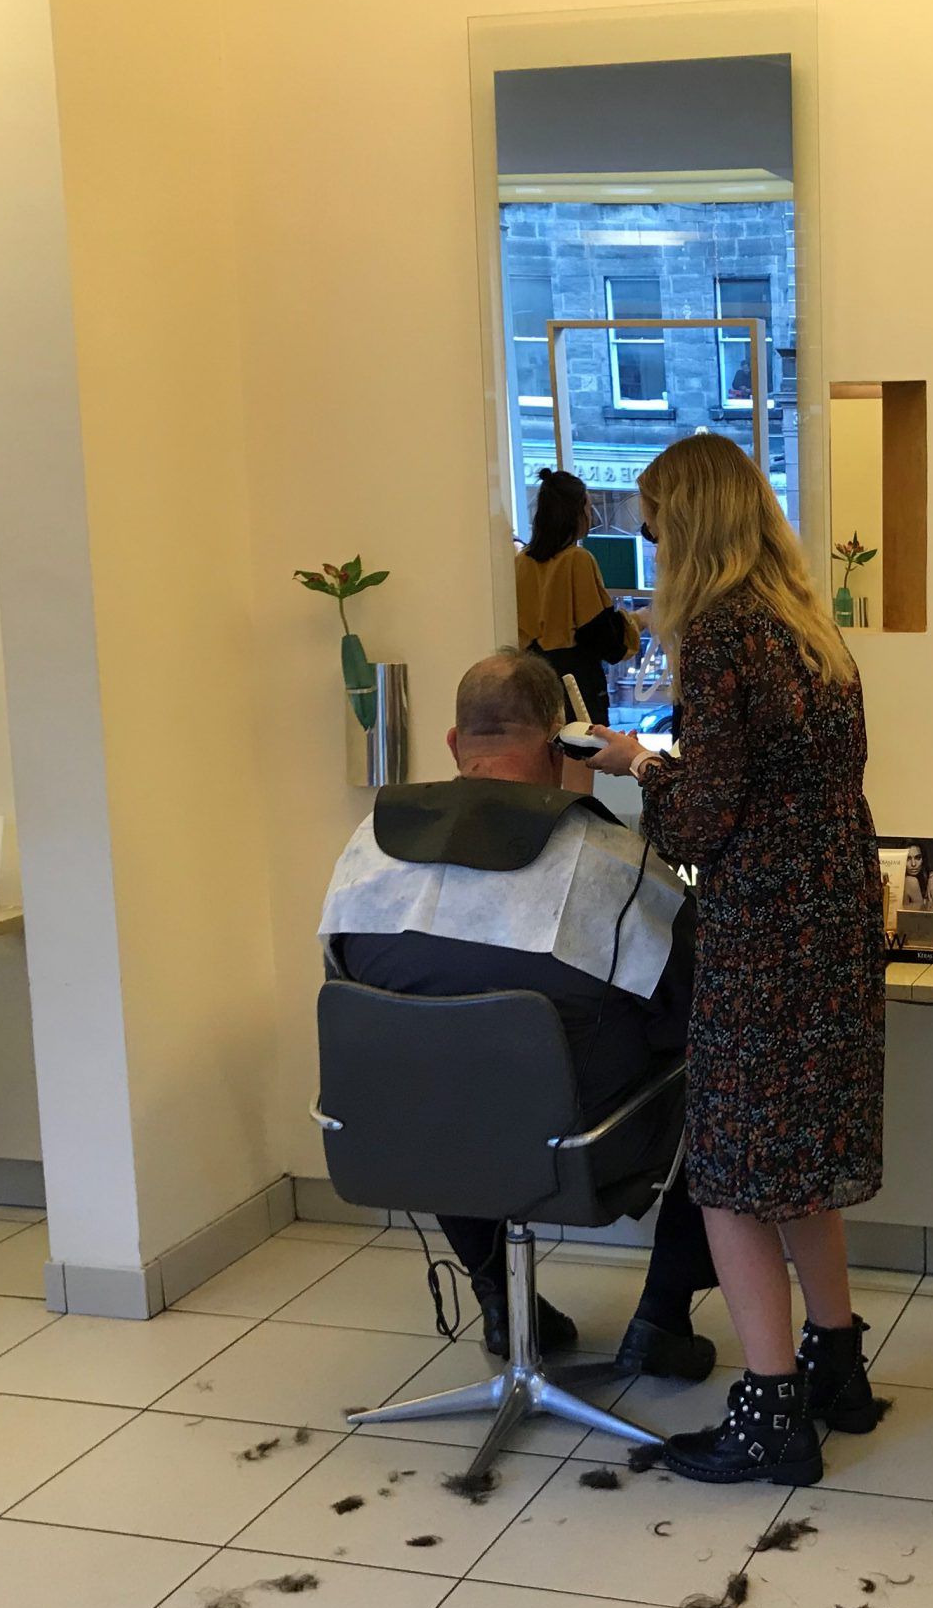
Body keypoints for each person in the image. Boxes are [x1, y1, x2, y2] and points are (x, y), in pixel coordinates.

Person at [584, 432, 883, 1486]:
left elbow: (705, 820)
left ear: (690, 525)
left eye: (657, 527)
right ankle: (837, 1366)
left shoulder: (718, 635)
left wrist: (636, 767)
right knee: (797, 1159)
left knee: (731, 1175)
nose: (653, 547)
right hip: (834, 911)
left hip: (765, 929)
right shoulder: (809, 629)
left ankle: (770, 1415)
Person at [318, 652, 716, 1380]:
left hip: (401, 1145)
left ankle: (499, 1298)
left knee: (429, 1072)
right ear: (562, 746)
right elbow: (690, 1013)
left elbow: (351, 1007)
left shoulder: (363, 855)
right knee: (728, 1074)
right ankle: (661, 1319)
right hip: (578, 1151)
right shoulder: (615, 864)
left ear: (452, 743)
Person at [516, 468, 640, 728]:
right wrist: (637, 621)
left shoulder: (521, 562)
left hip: (531, 676)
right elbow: (599, 634)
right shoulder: (577, 559)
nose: (590, 514)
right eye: (588, 507)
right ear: (575, 513)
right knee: (583, 747)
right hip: (575, 679)